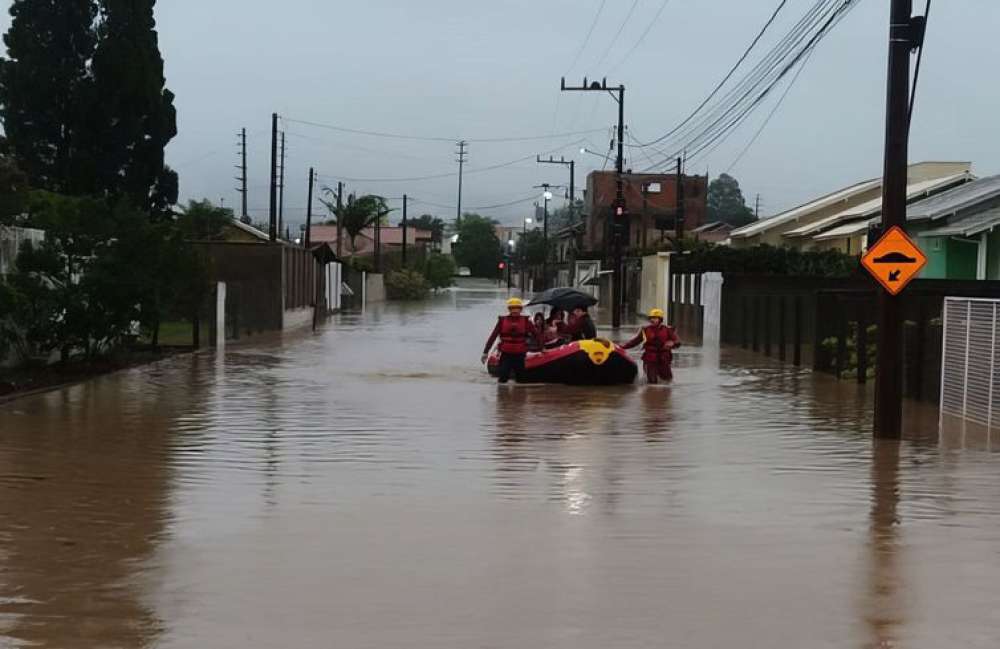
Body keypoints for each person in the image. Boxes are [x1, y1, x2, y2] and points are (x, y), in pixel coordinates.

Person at [482, 298, 539, 384]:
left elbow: (537, 335)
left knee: (521, 379)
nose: (515, 310)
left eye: (517, 308)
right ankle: (503, 396)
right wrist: (485, 352)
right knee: (503, 378)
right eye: (512, 308)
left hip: (520, 354)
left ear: (521, 309)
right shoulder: (502, 321)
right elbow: (493, 336)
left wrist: (542, 348)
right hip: (506, 354)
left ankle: (519, 396)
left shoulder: (526, 321)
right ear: (509, 309)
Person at [622, 308, 681, 384]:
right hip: (650, 359)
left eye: (655, 318)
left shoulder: (667, 330)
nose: (652, 320)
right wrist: (623, 347)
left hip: (664, 358)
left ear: (660, 319)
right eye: (651, 318)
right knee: (652, 382)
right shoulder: (645, 330)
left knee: (667, 380)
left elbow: (677, 342)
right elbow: (635, 341)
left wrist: (673, 344)